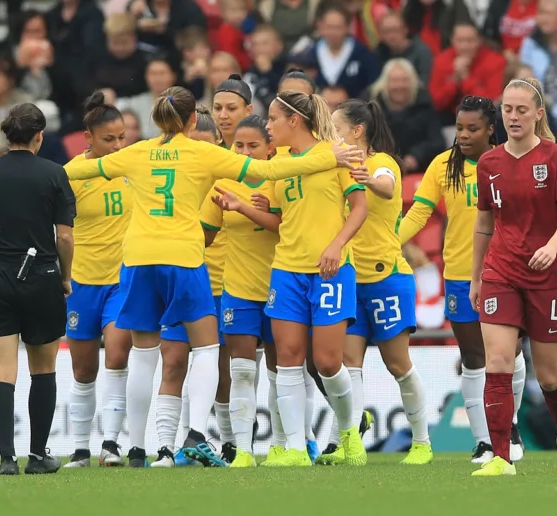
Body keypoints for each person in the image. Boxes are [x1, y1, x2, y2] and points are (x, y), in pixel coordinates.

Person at [63, 85, 364, 468]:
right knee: (206, 349)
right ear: (193, 120)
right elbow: (266, 169)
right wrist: (329, 158)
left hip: (137, 257)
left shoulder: (134, 153)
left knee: (143, 353)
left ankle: (134, 446)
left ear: (156, 120)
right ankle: (198, 433)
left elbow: (77, 169)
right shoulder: (202, 151)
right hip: (184, 257)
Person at [399, 95, 527, 464]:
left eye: (473, 129)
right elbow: (420, 210)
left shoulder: (510, 159)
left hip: (506, 271)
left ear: (491, 130)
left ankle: (509, 422)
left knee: (508, 352)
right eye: (458, 128)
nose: (464, 135)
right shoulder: (443, 165)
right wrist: (391, 240)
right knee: (474, 358)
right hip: (459, 273)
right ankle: (485, 440)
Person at [0, 102, 75, 476]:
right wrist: (65, 277)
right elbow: (65, 237)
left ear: (6, 136)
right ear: (40, 135)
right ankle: (38, 455)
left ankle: (7, 458)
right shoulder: (55, 174)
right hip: (41, 275)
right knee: (43, 370)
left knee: (1, 372)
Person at [470, 78, 557, 476]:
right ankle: (501, 458)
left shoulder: (555, 158)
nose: (513, 117)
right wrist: (476, 277)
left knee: (550, 376)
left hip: (548, 274)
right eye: (507, 109)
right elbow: (484, 223)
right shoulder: (489, 163)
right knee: (498, 360)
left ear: (538, 114)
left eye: (522, 110)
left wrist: (552, 246)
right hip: (501, 272)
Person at [263, 90, 368, 467]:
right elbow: (280, 219)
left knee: (326, 361)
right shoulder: (278, 163)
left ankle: (349, 432)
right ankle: (294, 449)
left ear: (294, 121)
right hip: (286, 270)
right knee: (287, 359)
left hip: (331, 271)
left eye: (273, 119)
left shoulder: (336, 154)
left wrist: (337, 245)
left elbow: (360, 207)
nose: (267, 126)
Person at [330, 98, 433, 466]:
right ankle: (351, 439)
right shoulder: (336, 168)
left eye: (336, 130)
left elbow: (387, 188)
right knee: (346, 363)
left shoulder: (381, 163)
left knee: (397, 364)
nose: (332, 137)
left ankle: (421, 441)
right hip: (350, 278)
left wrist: (366, 179)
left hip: (387, 276)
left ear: (357, 131)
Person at [201, 115, 281, 467]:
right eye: (239, 146)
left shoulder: (282, 177)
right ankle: (243, 451)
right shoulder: (221, 183)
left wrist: (250, 208)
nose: (245, 152)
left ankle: (285, 445)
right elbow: (203, 235)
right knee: (242, 371)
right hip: (237, 287)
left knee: (284, 373)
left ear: (269, 148)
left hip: (281, 287)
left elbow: (292, 227)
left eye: (253, 146)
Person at [155, 106, 232, 468]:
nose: (196, 152)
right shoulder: (170, 178)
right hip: (183, 278)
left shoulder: (229, 177)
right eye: (191, 143)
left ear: (217, 143)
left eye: (204, 144)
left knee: (225, 372)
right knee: (172, 363)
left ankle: (231, 444)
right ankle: (167, 449)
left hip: (226, 285)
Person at [63, 92, 134, 468]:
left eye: (122, 137)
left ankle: (111, 444)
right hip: (80, 283)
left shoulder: (131, 169)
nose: (119, 145)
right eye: (110, 139)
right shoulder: (71, 175)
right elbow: (57, 230)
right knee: (83, 370)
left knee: (118, 355)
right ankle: (79, 449)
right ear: (88, 138)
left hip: (122, 280)